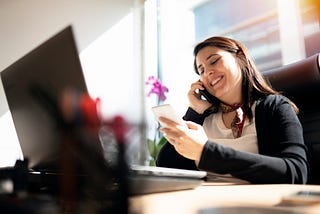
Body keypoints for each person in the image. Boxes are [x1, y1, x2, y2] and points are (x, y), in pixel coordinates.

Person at [156, 36, 309, 184]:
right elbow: (165, 165)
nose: (208, 72)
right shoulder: (203, 118)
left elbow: (295, 171)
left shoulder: (274, 107)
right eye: (201, 70)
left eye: (214, 61)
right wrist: (194, 113)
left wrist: (207, 152)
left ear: (240, 57)